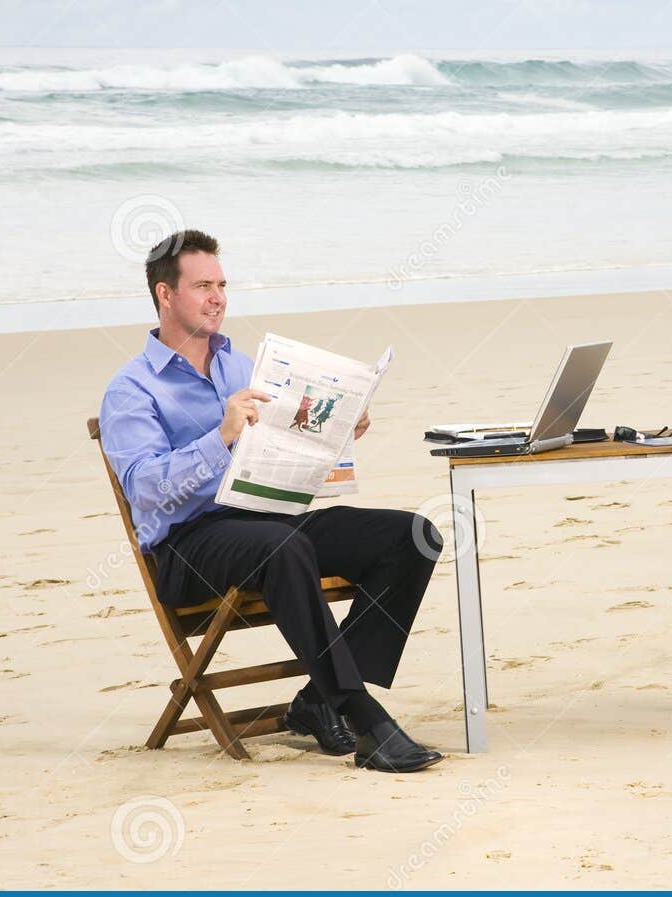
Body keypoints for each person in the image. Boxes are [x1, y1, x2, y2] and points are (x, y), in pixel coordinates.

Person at [98, 229, 443, 772]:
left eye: (222, 284)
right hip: (190, 546)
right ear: (165, 295)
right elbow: (144, 489)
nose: (218, 297)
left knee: (412, 535)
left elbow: (291, 446)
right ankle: (364, 717)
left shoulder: (244, 368)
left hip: (267, 518)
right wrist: (220, 438)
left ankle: (315, 699)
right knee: (281, 546)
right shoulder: (132, 389)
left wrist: (341, 431)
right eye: (203, 285)